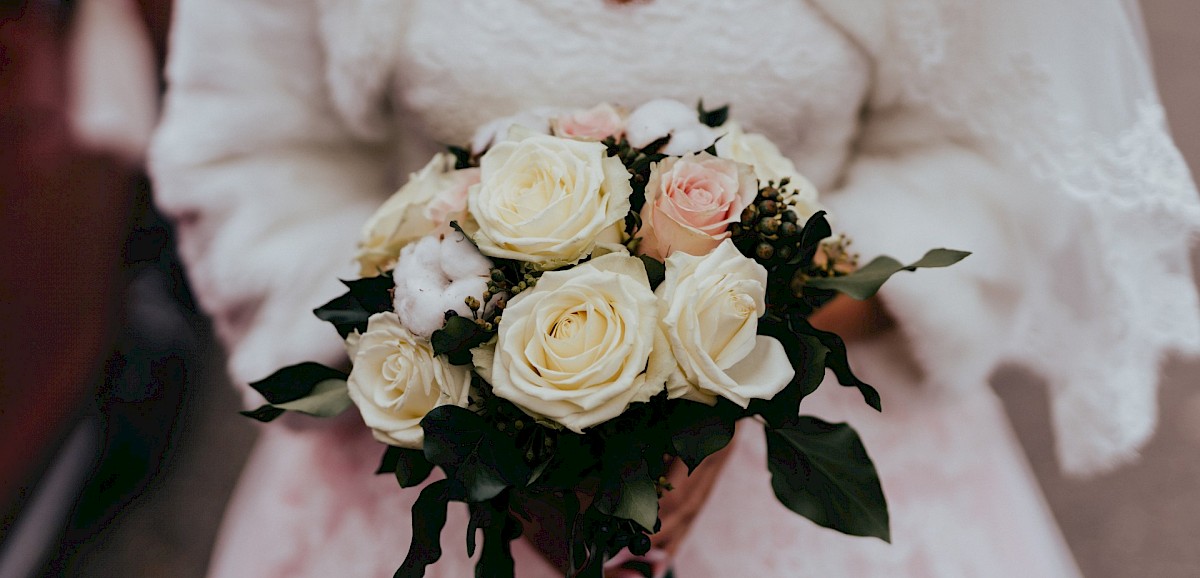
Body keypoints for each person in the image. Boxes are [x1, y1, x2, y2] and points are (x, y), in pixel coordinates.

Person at [150, 0, 1200, 576]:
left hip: (819, 406)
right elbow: (258, 154)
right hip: (435, 433)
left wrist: (717, 351)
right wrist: (472, 372)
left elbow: (983, 152)